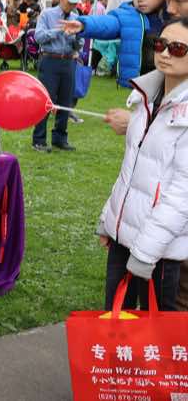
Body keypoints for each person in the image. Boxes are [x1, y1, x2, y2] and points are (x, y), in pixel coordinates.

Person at [96, 18, 188, 312]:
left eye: (178, 48)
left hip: (160, 249)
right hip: (124, 236)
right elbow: (131, 169)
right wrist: (110, 219)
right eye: (160, 44)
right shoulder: (146, 96)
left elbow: (181, 196)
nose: (165, 53)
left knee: (158, 329)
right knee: (115, 320)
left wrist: (146, 252)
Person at [61, 0, 168, 89]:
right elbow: (108, 23)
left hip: (169, 78)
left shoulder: (174, 16)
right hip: (141, 82)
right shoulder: (128, 15)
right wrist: (84, 24)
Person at [31, 0, 84, 152]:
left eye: (75, 3)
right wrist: (59, 31)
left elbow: (80, 43)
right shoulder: (47, 14)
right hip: (50, 60)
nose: (72, 6)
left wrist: (75, 39)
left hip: (68, 61)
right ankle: (39, 140)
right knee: (45, 101)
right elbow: (38, 37)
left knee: (65, 101)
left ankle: (60, 138)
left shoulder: (76, 17)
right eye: (70, 2)